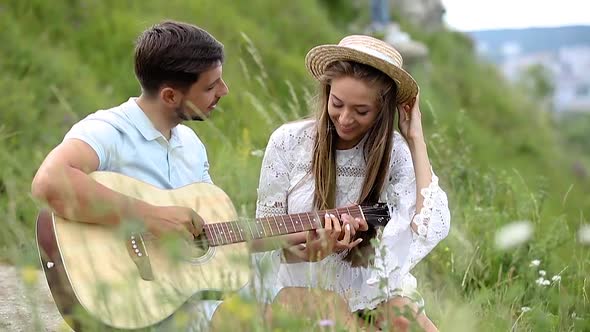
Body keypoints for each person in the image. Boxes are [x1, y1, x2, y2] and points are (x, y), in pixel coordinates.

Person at [31, 21, 229, 331]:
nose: (223, 91)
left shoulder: (191, 144)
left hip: (180, 299)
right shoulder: (107, 130)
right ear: (169, 96)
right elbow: (49, 182)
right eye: (210, 86)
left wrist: (292, 240)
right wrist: (149, 217)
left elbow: (211, 235)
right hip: (128, 303)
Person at [251, 35, 451, 331]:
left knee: (408, 319)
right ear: (327, 92)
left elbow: (428, 226)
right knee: (336, 313)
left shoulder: (394, 152)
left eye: (361, 111)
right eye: (337, 103)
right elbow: (260, 237)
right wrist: (312, 250)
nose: (344, 119)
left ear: (382, 110)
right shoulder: (289, 142)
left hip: (370, 289)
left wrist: (415, 138)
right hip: (296, 286)